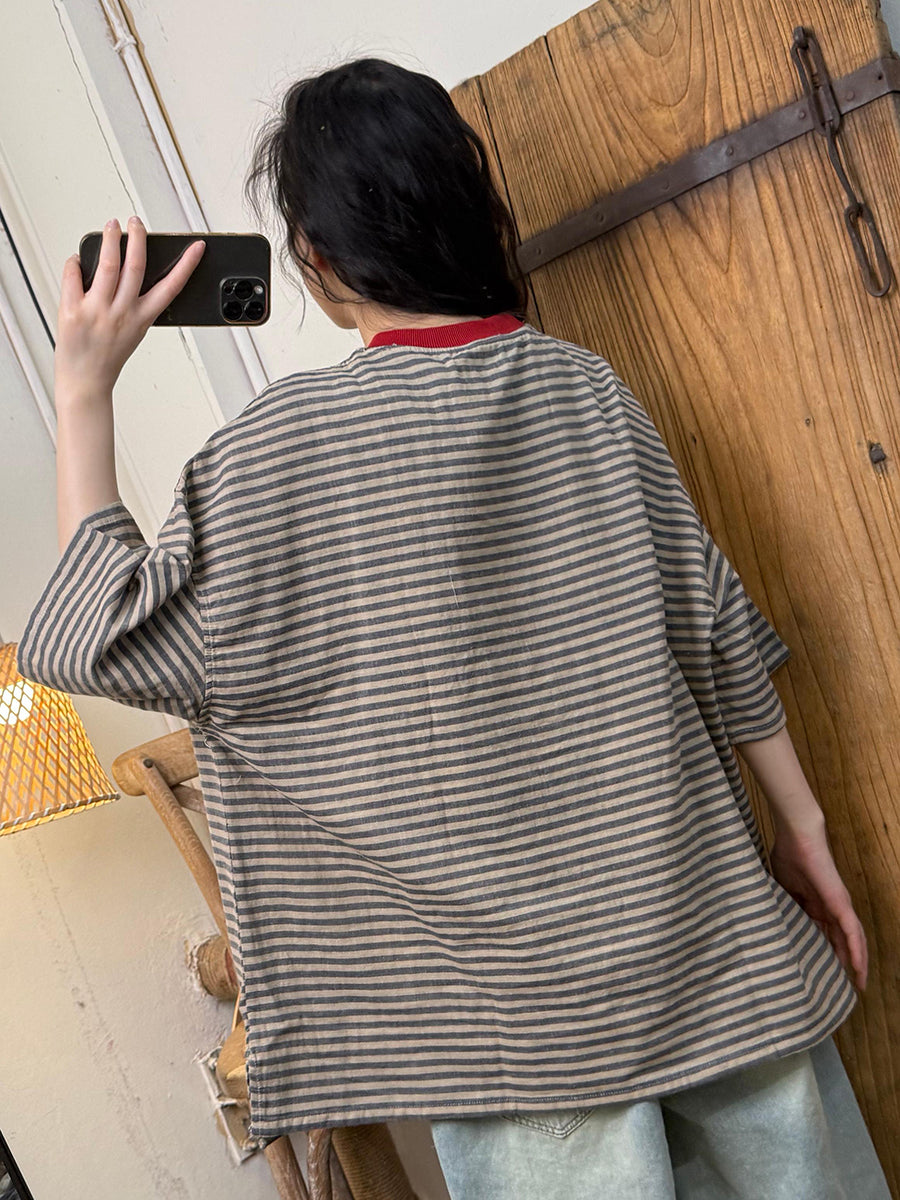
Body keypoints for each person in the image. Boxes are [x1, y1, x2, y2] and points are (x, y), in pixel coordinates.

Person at [16, 56, 890, 1200]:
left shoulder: (279, 451)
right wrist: (804, 835)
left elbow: (92, 629)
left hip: (508, 1035)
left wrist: (82, 389)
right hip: (709, 953)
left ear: (317, 256)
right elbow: (718, 633)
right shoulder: (586, 391)